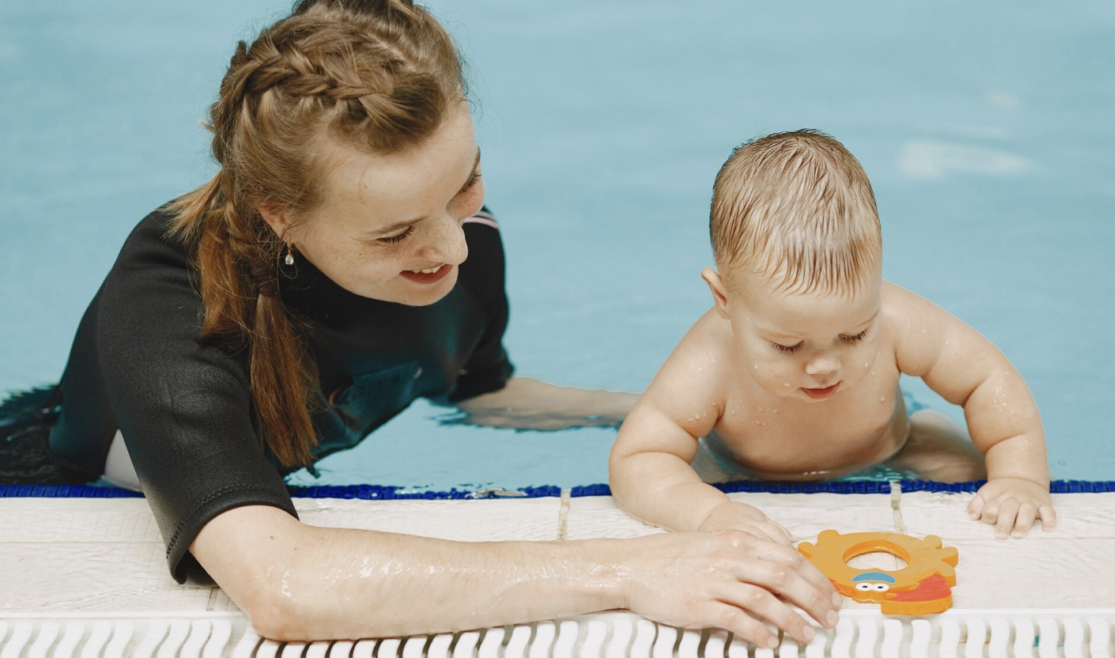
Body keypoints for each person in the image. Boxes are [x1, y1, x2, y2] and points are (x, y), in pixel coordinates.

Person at [0, 0, 842, 645]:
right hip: (59, 484)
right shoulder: (169, 302)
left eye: (464, 185)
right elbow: (284, 586)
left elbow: (481, 393)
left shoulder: (459, 239)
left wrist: (673, 418)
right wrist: (631, 569)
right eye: (396, 232)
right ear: (281, 217)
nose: (450, 247)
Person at [609, 130, 1057, 545]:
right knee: (680, 477)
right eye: (788, 345)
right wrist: (707, 513)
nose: (825, 365)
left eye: (855, 334)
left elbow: (986, 378)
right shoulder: (709, 360)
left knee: (972, 474)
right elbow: (638, 457)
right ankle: (606, 406)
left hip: (892, 446)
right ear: (724, 299)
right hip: (736, 468)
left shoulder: (898, 317)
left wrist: (1020, 476)